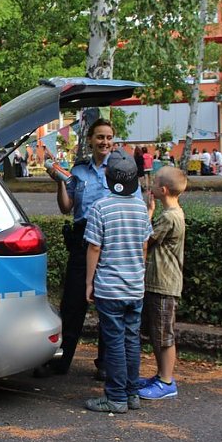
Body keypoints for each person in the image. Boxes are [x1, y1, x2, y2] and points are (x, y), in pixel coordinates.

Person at [34, 118, 141, 380]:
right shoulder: (79, 171)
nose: (105, 142)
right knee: (72, 305)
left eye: (109, 138)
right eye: (100, 137)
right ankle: (60, 362)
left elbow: (133, 204)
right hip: (82, 242)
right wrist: (59, 181)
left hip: (110, 243)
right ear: (90, 140)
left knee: (109, 304)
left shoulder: (121, 169)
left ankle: (105, 364)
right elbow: (66, 207)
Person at [83, 151, 152, 413]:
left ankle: (116, 398)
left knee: (113, 341)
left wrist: (89, 283)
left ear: (108, 179)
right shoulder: (140, 208)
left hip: (109, 287)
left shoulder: (101, 207)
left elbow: (94, 249)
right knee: (132, 340)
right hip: (135, 286)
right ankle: (132, 394)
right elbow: (145, 245)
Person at [138, 167, 187, 401]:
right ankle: (161, 376)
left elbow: (146, 238)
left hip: (164, 284)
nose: (151, 186)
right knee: (158, 332)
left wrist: (147, 214)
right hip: (160, 282)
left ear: (163, 190)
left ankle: (167, 381)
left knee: (164, 334)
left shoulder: (169, 217)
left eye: (155, 183)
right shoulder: (174, 212)